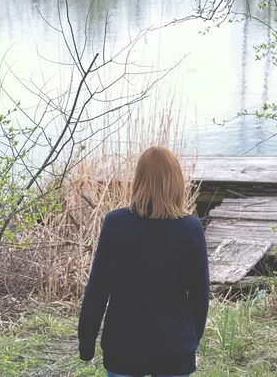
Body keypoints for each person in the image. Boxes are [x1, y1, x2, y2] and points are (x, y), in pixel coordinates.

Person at [78, 146, 210, 377]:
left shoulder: (115, 224)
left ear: (138, 180)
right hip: (175, 347)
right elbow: (200, 296)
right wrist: (191, 339)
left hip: (123, 346)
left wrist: (86, 342)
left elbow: (98, 289)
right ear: (176, 182)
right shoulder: (191, 228)